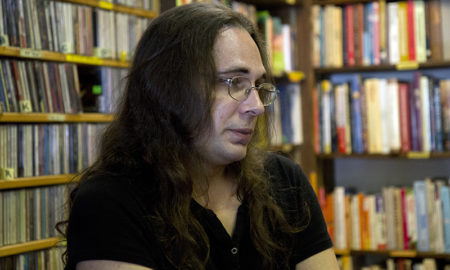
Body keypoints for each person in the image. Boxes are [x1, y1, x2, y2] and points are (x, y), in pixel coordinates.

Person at [62, 3, 339, 270]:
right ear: (170, 90)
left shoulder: (285, 181)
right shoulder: (110, 203)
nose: (256, 106)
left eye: (257, 85)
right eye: (235, 82)